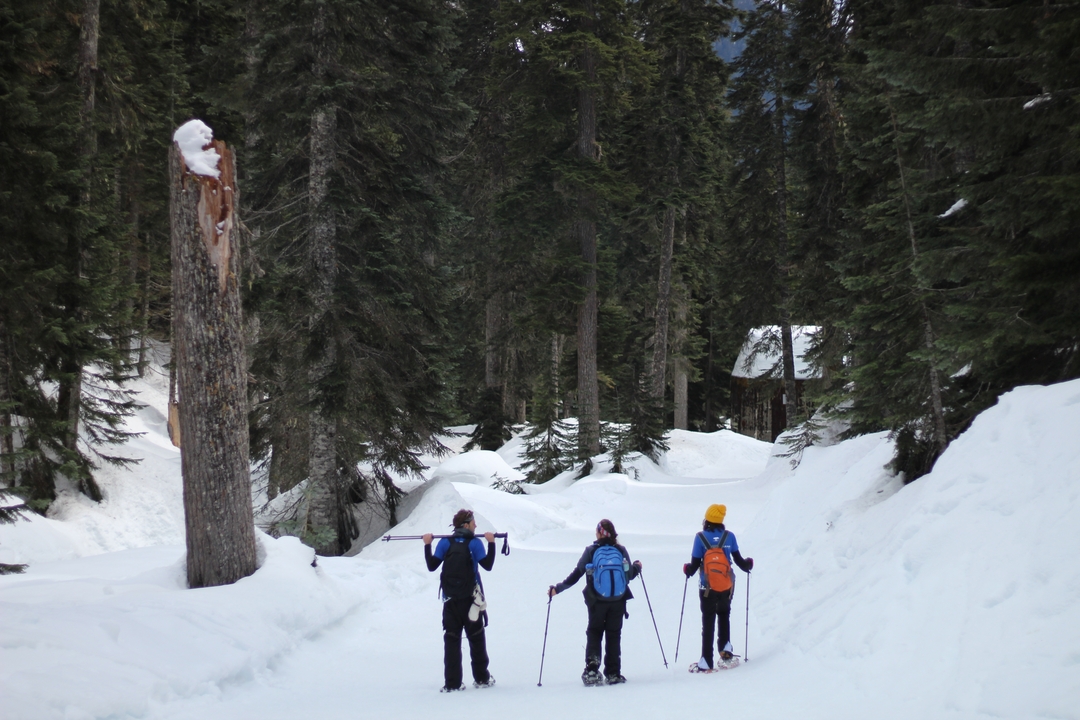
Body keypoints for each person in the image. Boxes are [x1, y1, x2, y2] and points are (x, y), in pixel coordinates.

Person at [548, 519, 642, 686]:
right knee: (614, 634)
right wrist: (637, 567)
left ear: (599, 533)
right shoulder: (620, 550)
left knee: (595, 632)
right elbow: (628, 576)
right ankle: (613, 673)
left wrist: (558, 588)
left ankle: (592, 670)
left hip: (596, 601)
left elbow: (577, 574)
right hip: (618, 601)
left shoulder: (591, 551)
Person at [424, 509, 496, 692]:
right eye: (473, 523)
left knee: (451, 640)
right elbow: (487, 565)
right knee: (477, 638)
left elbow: (432, 566)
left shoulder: (445, 543)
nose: (476, 526)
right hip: (470, 600)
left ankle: (452, 683)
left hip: (450, 601)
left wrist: (427, 544)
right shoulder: (474, 544)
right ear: (466, 525)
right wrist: (492, 543)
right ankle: (482, 678)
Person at [682, 503, 753, 671]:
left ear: (707, 520)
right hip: (727, 586)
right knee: (724, 615)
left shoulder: (700, 538)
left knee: (708, 622)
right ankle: (726, 652)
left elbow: (694, 565)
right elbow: (740, 561)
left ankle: (706, 661)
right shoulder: (729, 537)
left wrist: (687, 570)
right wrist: (748, 564)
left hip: (707, 588)